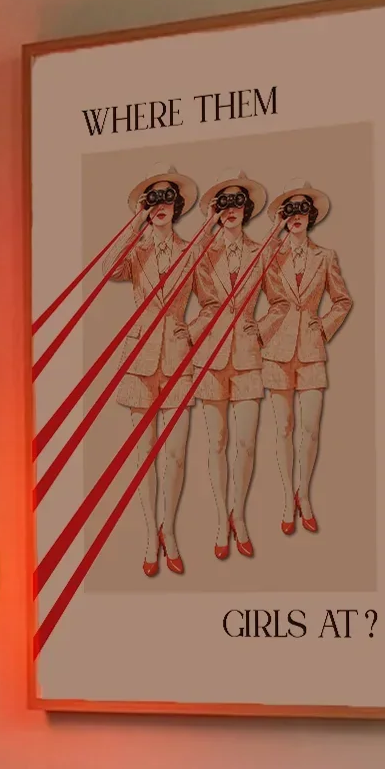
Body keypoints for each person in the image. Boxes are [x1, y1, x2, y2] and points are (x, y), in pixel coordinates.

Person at [109, 167, 201, 577]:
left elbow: (217, 301)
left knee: (176, 454)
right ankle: (150, 534)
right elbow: (109, 270)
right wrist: (134, 224)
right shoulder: (137, 250)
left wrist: (190, 330)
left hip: (179, 358)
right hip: (141, 358)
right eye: (153, 200)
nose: (161, 206)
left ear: (178, 207)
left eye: (167, 200)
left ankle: (170, 530)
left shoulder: (193, 250)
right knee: (144, 455)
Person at [258, 184, 352, 534]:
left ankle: (304, 494)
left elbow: (342, 300)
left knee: (310, 429)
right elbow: (248, 289)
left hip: (311, 350)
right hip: (276, 351)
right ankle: (287, 497)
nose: (296, 216)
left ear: (311, 216)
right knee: (283, 428)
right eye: (289, 211)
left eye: (302, 211)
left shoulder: (326, 256)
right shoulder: (269, 256)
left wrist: (323, 326)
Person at [189, 174, 268, 561]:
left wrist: (263, 328)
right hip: (211, 356)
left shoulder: (262, 250)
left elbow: (284, 300)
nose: (232, 210)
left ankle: (240, 514)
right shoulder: (201, 255)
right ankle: (222, 520)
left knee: (247, 443)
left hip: (250, 357)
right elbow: (179, 299)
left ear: (247, 210)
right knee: (217, 442)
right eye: (224, 204)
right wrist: (187, 338)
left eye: (238, 204)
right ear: (215, 212)